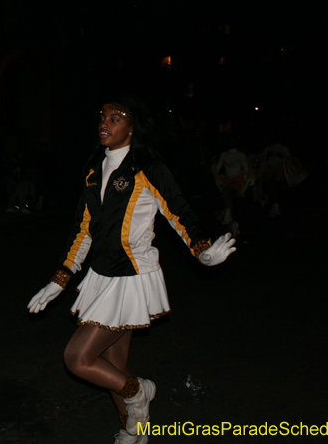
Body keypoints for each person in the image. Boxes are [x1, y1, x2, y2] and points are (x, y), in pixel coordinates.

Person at [27, 97, 236, 444]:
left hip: (131, 275)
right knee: (113, 366)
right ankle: (133, 429)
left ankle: (138, 391)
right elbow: (82, 231)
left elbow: (178, 211)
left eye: (116, 118)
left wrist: (201, 249)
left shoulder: (147, 168)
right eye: (102, 117)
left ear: (132, 127)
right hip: (101, 274)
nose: (104, 123)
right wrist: (59, 279)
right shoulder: (94, 171)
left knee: (78, 358)